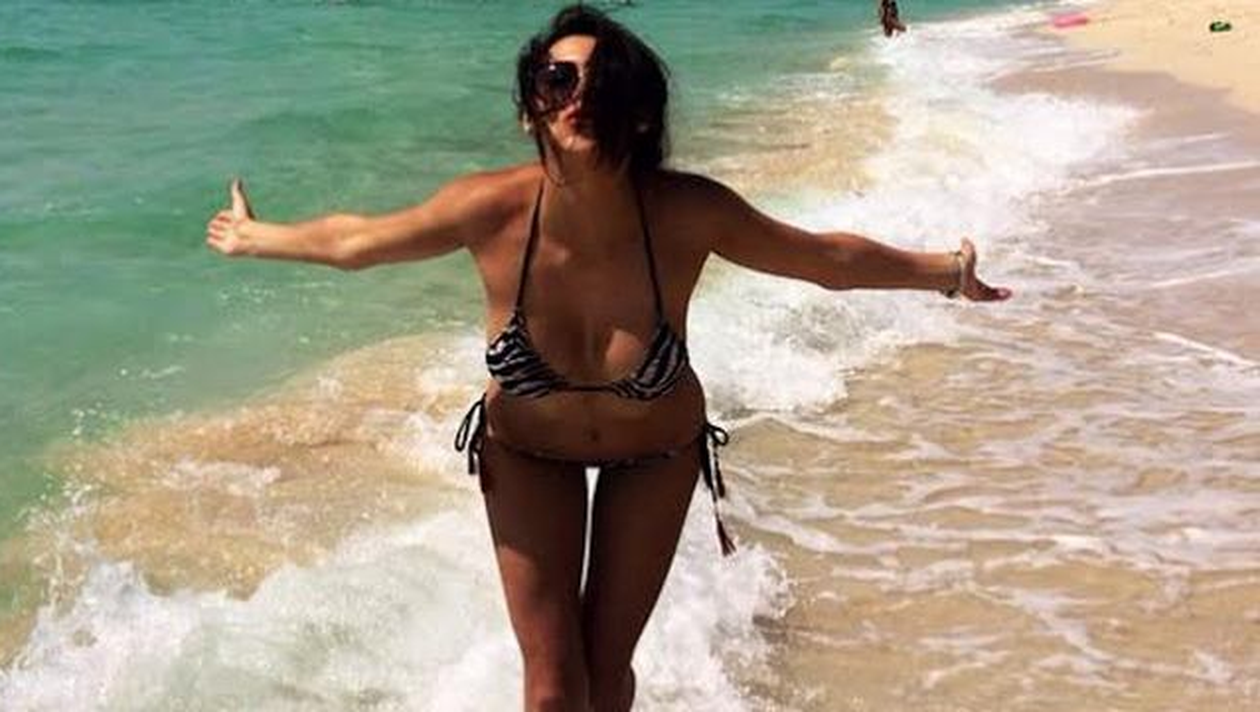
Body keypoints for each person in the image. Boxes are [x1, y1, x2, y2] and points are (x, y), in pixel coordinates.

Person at [206, 5, 1009, 710]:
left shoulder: (687, 212)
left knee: (604, 673)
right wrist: (252, 236)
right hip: (526, 453)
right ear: (530, 106)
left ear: (640, 114)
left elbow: (823, 259)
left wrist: (947, 272)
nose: (579, 96)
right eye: (558, 79)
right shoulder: (490, 210)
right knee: (555, 690)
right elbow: (356, 242)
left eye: (603, 83)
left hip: (655, 453)